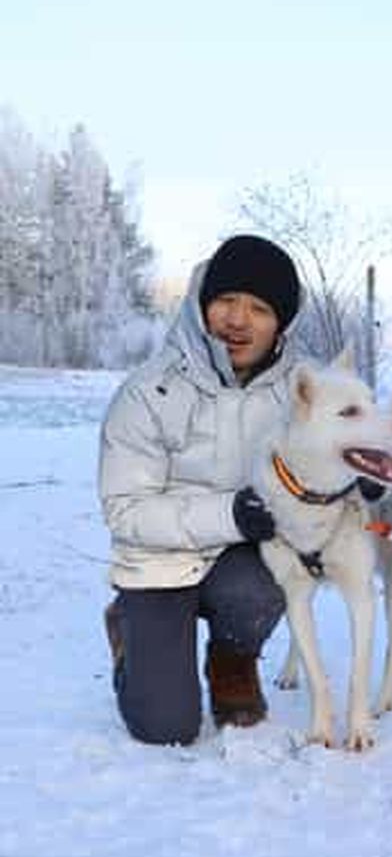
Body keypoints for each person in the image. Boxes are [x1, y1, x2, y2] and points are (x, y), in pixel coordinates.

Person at [99, 234, 304, 746]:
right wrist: (231, 514)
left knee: (283, 567)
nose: (237, 320)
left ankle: (232, 660)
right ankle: (130, 631)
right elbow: (126, 511)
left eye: (258, 308)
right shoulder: (149, 391)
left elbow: (336, 454)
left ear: (281, 324)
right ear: (201, 303)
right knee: (167, 727)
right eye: (226, 301)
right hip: (158, 562)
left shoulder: (300, 390)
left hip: (239, 561)